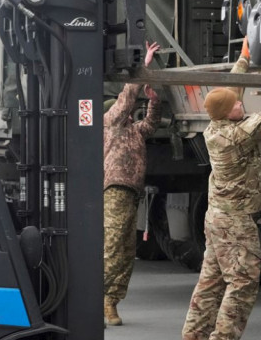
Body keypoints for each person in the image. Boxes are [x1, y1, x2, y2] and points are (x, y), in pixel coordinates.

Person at [182, 40, 261, 340]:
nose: (240, 104)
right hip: (234, 223)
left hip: (217, 219)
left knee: (211, 282)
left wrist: (244, 58)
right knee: (243, 282)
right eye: (236, 105)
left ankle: (193, 335)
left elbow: (232, 91)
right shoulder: (237, 135)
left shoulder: (215, 127)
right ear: (226, 113)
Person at [103, 41, 162, 326]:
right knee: (113, 247)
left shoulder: (134, 131)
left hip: (131, 194)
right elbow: (126, 97)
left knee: (127, 252)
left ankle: (111, 301)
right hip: (115, 190)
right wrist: (143, 67)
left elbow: (151, 123)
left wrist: (154, 100)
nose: (128, 111)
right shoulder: (110, 123)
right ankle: (97, 296)